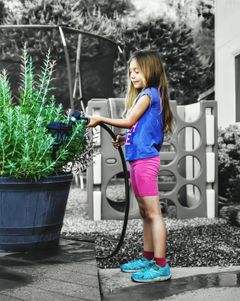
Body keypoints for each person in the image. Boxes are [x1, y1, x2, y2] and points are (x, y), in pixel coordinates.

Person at [87, 49, 173, 283]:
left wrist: (100, 119)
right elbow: (140, 129)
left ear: (150, 69)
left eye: (137, 70)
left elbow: (129, 121)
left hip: (145, 162)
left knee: (153, 214)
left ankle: (161, 266)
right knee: (145, 213)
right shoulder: (145, 95)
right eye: (130, 72)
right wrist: (126, 139)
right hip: (137, 159)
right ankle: (148, 258)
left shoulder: (148, 94)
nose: (133, 75)